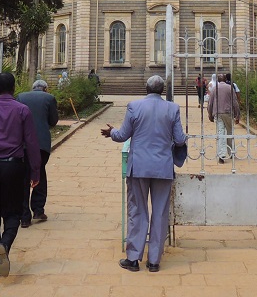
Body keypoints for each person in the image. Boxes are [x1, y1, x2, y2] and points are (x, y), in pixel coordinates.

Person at [100, 75, 186, 273]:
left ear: (145, 89)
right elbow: (180, 139)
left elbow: (122, 135)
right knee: (160, 212)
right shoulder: (172, 108)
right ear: (162, 90)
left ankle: (133, 258)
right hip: (163, 168)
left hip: (139, 167)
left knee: (137, 209)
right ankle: (154, 260)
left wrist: (111, 132)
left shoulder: (134, 106)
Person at [0, 72, 41, 279]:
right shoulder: (22, 110)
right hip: (13, 167)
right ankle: (5, 243)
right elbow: (31, 142)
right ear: (13, 89)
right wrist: (35, 171)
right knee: (12, 213)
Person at [16, 79, 59, 228]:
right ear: (45, 89)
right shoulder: (49, 98)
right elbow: (53, 121)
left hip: (23, 144)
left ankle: (24, 217)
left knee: (23, 177)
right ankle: (38, 210)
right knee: (39, 173)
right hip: (41, 145)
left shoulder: (21, 97)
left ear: (32, 87)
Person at [207, 74, 240, 164]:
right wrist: (238, 115)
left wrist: (210, 114)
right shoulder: (230, 88)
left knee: (220, 133)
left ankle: (221, 155)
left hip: (218, 113)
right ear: (225, 79)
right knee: (230, 132)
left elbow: (210, 103)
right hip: (228, 113)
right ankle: (231, 152)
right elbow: (235, 102)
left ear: (218, 80)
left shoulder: (214, 89)